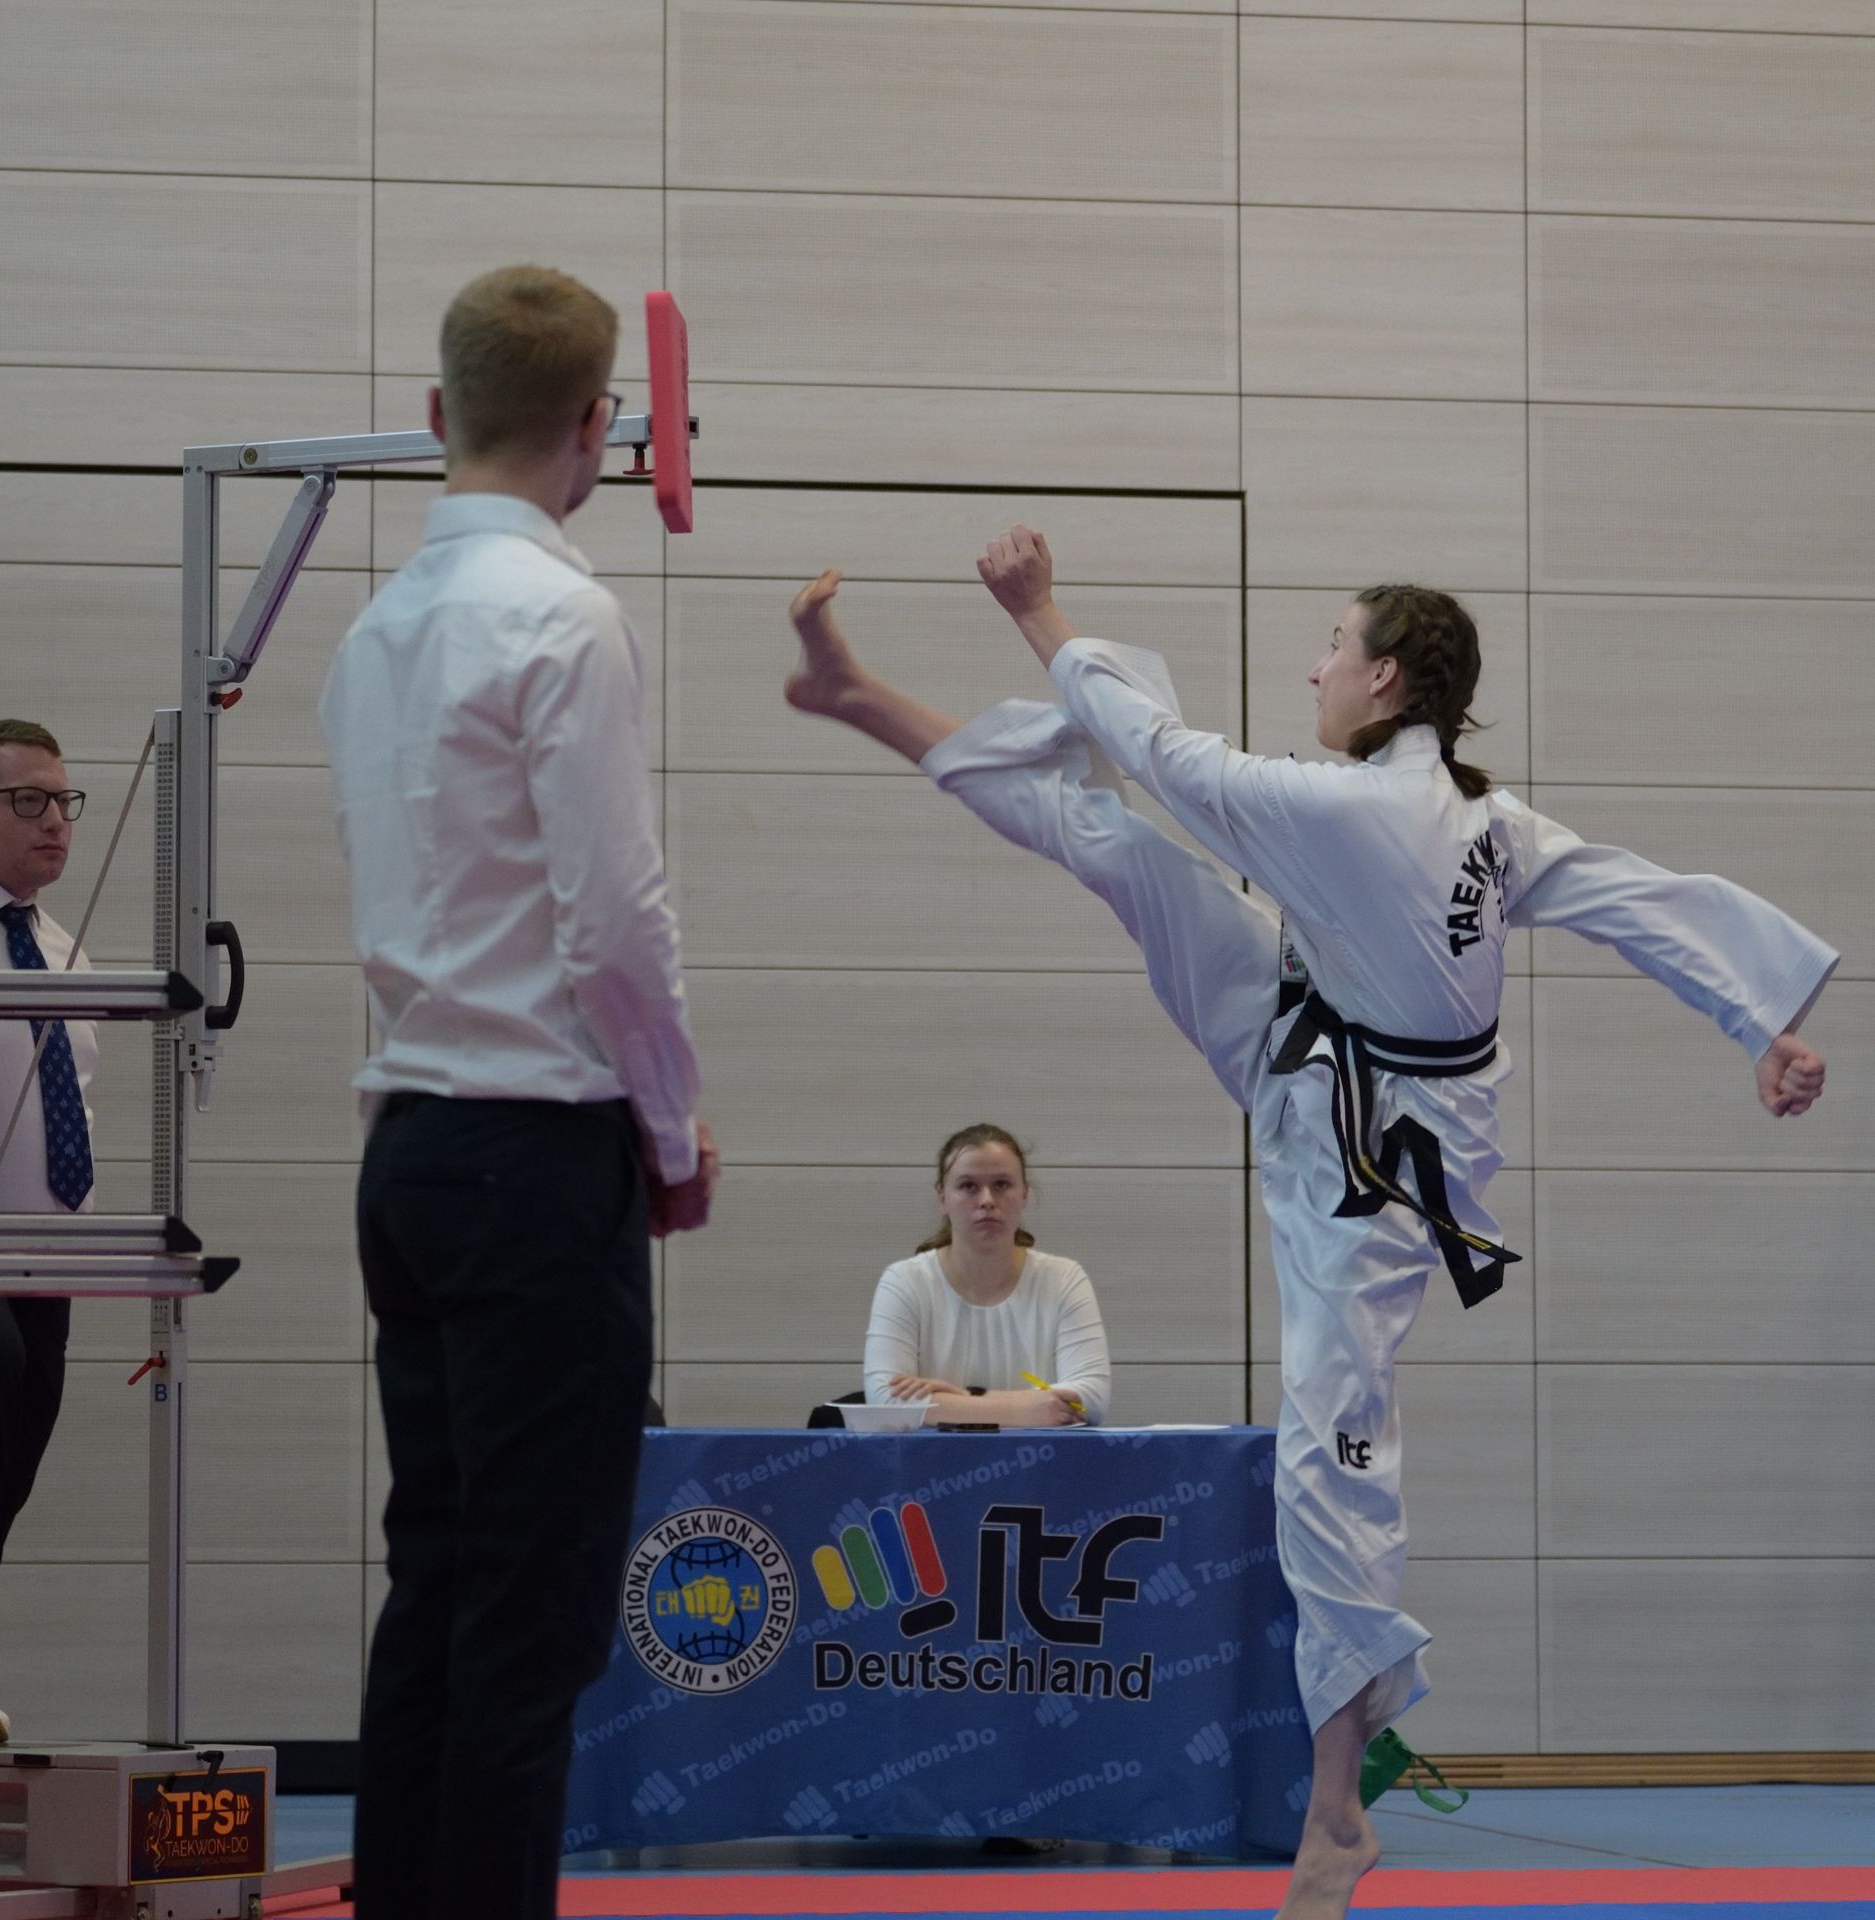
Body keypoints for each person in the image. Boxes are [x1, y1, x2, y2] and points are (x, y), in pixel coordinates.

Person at [783, 531, 1834, 1919]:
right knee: (1113, 843)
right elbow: (1631, 895)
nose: (1314, 668)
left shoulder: (1354, 813)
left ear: (1385, 679)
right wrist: (1764, 1019)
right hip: (1314, 1031)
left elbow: (1159, 749)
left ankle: (1336, 1808)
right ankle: (858, 699)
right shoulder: (1473, 819)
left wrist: (1038, 610)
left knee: (1331, 1457)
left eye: (1333, 647)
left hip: (1372, 1175)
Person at [320, 265, 719, 1920]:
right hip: (532, 1150)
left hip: (412, 1145)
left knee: (439, 1581)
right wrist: (672, 1130)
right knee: (530, 1616)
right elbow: (614, 923)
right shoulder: (564, 620)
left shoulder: (374, 632)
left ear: (435, 414)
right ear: (603, 430)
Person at [0, 719, 96, 1744]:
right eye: (28, 801)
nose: (55, 822)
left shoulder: (59, 947)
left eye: (64, 802)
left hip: (48, 1256)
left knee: (7, 1459)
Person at [863, 1122, 1110, 1428]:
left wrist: (967, 1399)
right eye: (968, 1186)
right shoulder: (904, 1281)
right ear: (942, 1198)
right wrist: (1023, 1410)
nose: (987, 1200)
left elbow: (1091, 1398)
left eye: (1002, 1184)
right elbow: (884, 1400)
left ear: (1024, 1195)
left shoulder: (1064, 1279)